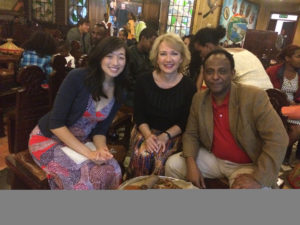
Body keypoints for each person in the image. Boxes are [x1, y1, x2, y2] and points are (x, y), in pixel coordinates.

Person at [165, 49, 289, 189]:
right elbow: (191, 134)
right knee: (172, 165)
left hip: (248, 164)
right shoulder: (199, 99)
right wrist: (191, 164)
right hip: (214, 159)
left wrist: (258, 178)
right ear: (203, 74)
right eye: (209, 71)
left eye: (222, 71)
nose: (215, 77)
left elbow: (278, 138)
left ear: (232, 73)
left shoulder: (253, 96)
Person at [28, 37, 129, 190]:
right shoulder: (77, 77)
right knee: (82, 179)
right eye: (109, 55)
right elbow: (56, 124)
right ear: (100, 56)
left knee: (114, 169)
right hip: (48, 138)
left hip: (80, 141)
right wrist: (90, 154)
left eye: (121, 57)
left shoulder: (120, 90)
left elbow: (100, 131)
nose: (115, 62)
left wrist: (101, 150)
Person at [126, 33, 197, 178]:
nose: (168, 59)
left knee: (160, 160)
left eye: (174, 54)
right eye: (163, 54)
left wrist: (165, 135)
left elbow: (185, 120)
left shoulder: (189, 86)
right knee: (143, 156)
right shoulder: (143, 80)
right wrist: (148, 136)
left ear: (182, 58)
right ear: (156, 58)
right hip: (145, 129)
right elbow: (139, 115)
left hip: (173, 133)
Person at [193, 26, 273, 91]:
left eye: (199, 51)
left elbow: (199, 93)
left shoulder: (222, 60)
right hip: (273, 97)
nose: (200, 55)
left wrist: (202, 71)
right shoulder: (240, 51)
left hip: (253, 100)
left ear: (208, 46)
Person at [266, 45, 300, 164]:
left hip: (294, 107)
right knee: (295, 130)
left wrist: (295, 103)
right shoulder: (273, 71)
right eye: (298, 56)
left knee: (296, 127)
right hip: (276, 105)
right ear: (287, 58)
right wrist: (285, 101)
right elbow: (267, 91)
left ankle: (285, 155)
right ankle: (275, 155)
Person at [125, 27, 158, 107]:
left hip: (146, 91)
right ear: (143, 38)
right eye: (151, 43)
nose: (153, 47)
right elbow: (127, 80)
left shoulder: (149, 54)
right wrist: (145, 88)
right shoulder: (129, 53)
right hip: (132, 93)